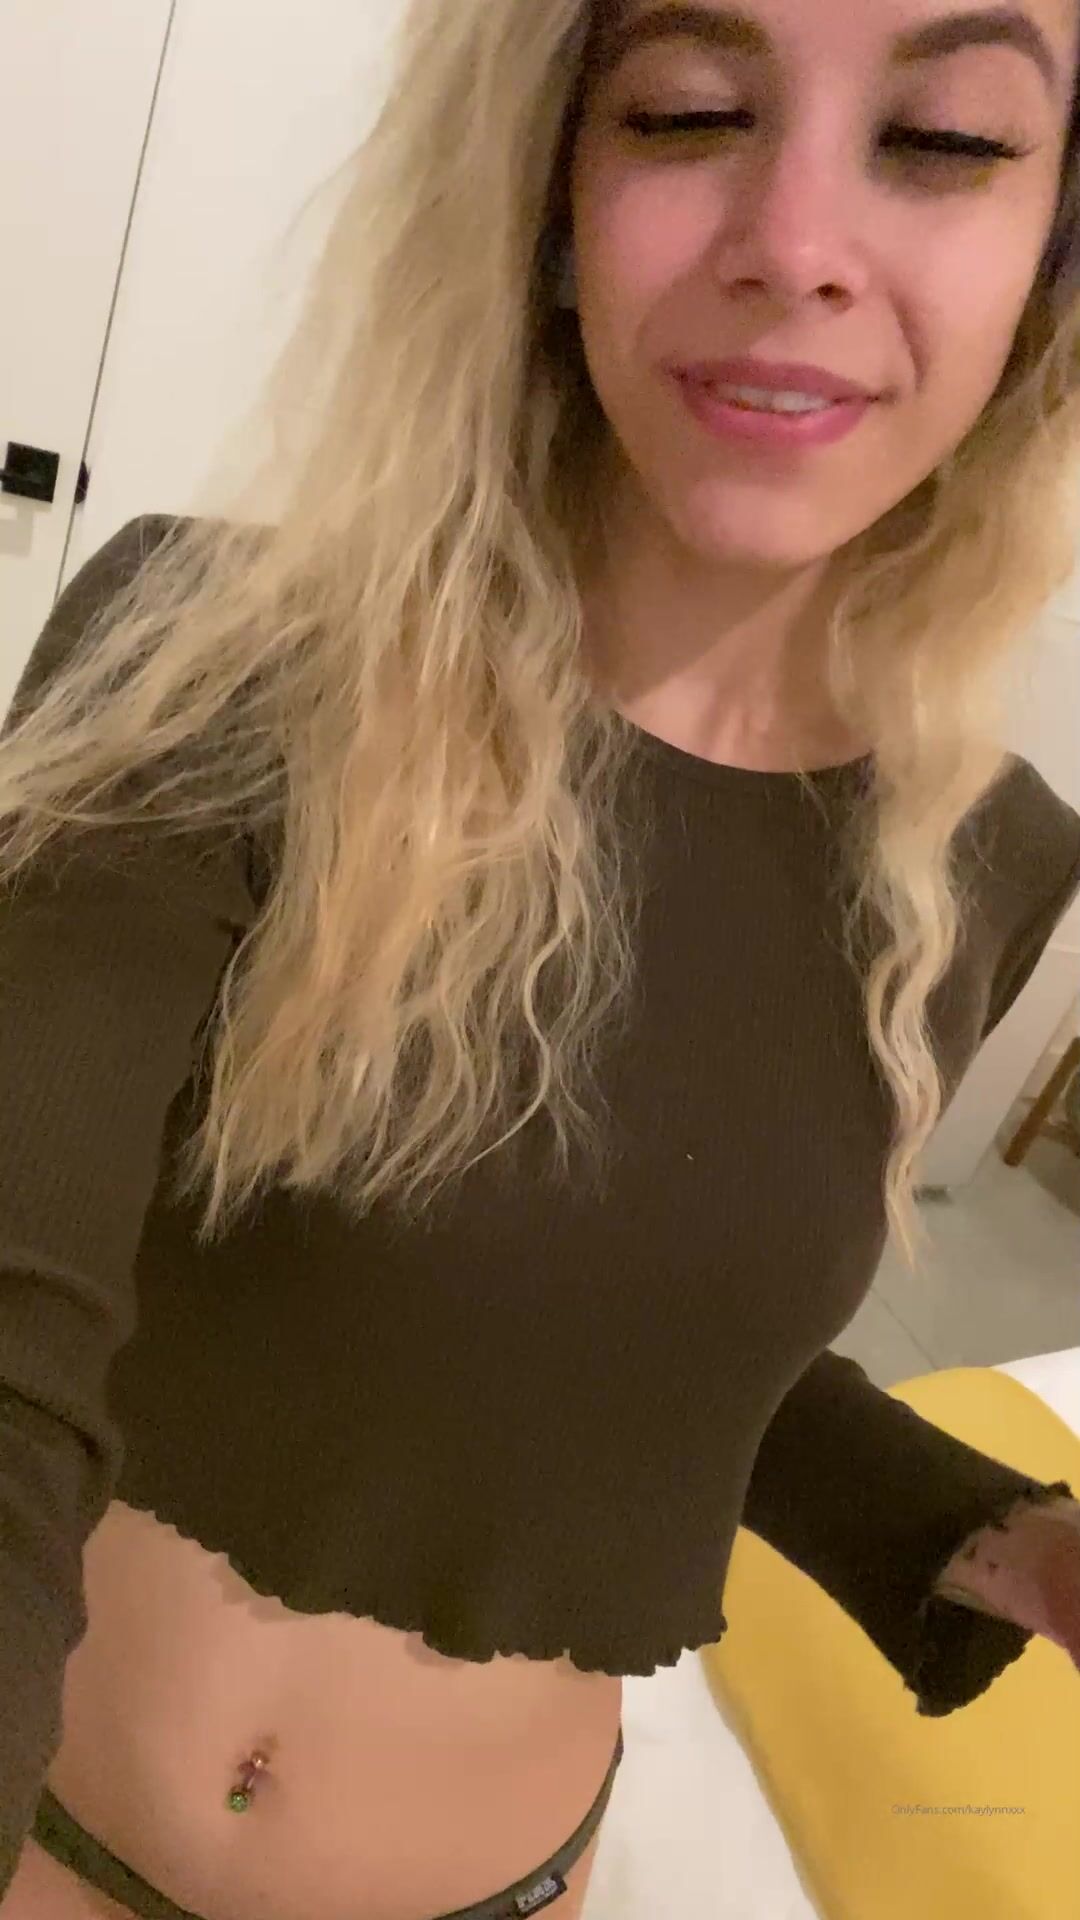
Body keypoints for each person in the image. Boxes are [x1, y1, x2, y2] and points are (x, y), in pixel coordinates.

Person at [3, 0, 1080, 1915]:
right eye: (689, 110)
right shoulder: (207, 663)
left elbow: (620, 1324)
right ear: (548, 188)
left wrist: (1006, 1546)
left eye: (946, 141)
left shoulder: (982, 861)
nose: (797, 244)